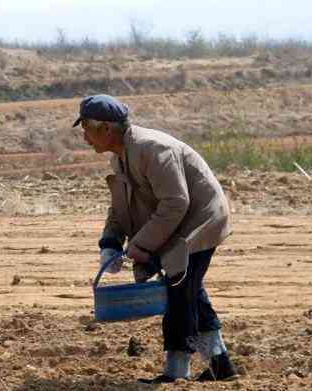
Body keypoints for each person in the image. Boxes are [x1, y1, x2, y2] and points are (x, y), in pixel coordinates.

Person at [73, 94, 239, 384]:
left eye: (86, 128)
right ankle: (219, 364)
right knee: (190, 293)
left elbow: (176, 203)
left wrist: (139, 246)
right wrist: (110, 243)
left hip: (198, 224)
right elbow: (120, 206)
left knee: (178, 296)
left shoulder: (153, 150)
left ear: (106, 129)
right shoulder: (121, 156)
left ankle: (177, 373)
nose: (84, 137)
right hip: (175, 226)